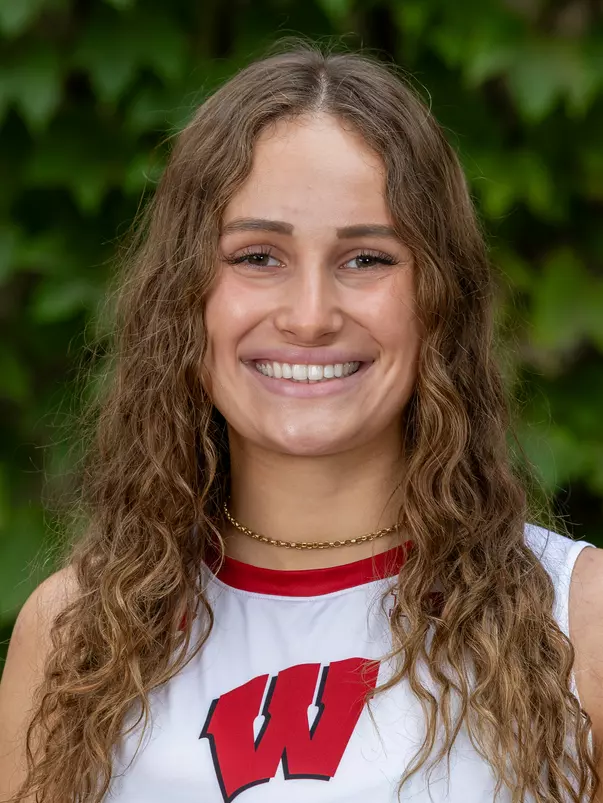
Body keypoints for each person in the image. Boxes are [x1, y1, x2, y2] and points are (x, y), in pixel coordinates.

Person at [0, 44, 602, 803]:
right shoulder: (78, 633)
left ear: (438, 301)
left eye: (365, 259)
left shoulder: (578, 619)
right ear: (185, 297)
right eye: (258, 255)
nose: (310, 316)